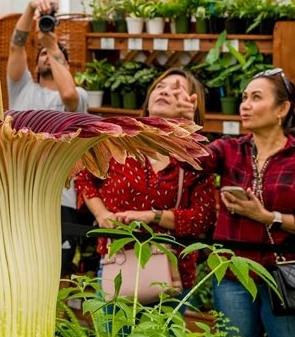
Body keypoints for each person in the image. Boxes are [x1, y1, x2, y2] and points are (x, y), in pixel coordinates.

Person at [201, 67, 295, 337]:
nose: (244, 105)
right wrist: (185, 123)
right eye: (244, 97)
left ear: (282, 109)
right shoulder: (228, 149)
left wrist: (266, 216)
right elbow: (192, 162)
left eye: (256, 97)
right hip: (233, 275)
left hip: (286, 277)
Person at [76, 68, 217, 295]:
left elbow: (203, 217)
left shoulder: (195, 158)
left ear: (192, 103)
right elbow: (85, 176)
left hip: (172, 274)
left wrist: (152, 216)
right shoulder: (120, 141)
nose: (165, 92)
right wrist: (101, 213)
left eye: (176, 90)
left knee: (165, 331)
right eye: (159, 86)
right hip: (117, 262)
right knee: (115, 330)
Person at [7, 0, 88, 276]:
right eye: (41, 53)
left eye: (54, 56)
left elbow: (69, 96)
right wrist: (30, 9)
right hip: (17, 194)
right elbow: (16, 46)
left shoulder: (79, 96)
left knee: (58, 273)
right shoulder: (21, 88)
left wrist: (53, 45)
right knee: (18, 268)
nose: (45, 56)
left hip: (60, 198)